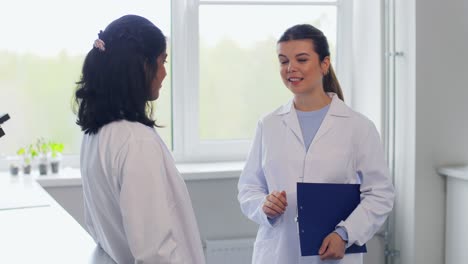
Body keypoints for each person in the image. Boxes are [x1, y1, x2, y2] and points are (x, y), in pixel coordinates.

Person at [237, 24, 395, 264]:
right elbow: (249, 188)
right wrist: (264, 206)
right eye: (283, 61)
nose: (291, 69)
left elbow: (380, 194)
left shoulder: (358, 127)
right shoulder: (268, 125)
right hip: (278, 253)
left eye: (301, 59)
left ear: (324, 63)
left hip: (333, 255)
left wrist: (344, 234)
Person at [74, 15, 205, 264]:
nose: (164, 73)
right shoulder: (136, 142)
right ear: (142, 66)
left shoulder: (96, 133)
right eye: (162, 62)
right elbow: (155, 253)